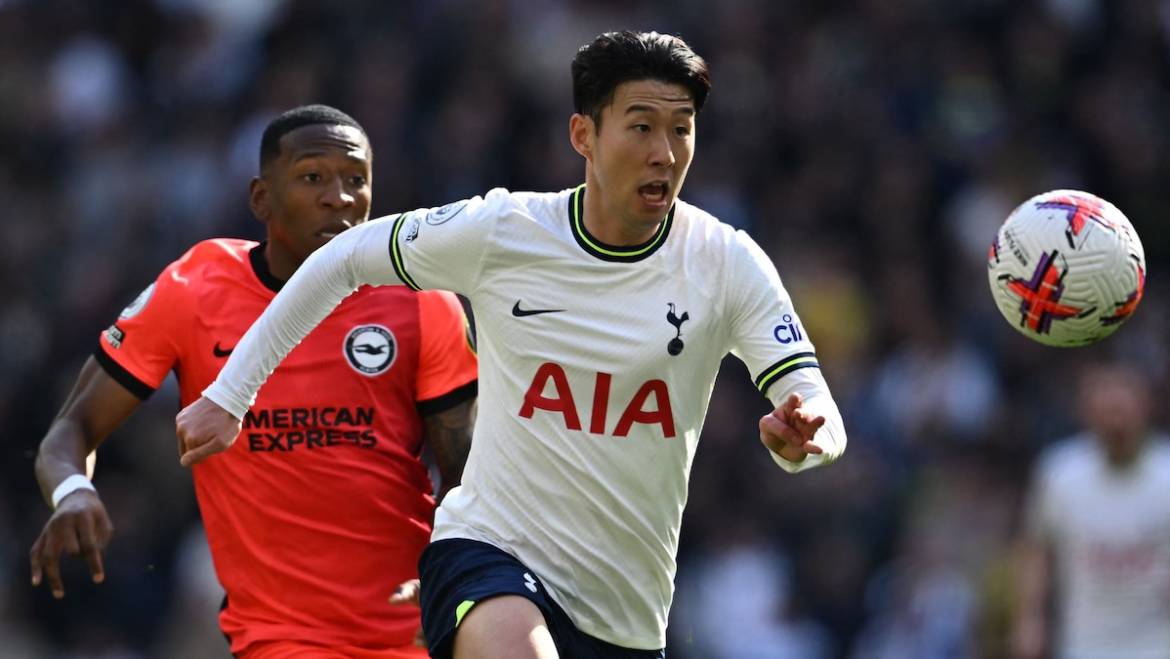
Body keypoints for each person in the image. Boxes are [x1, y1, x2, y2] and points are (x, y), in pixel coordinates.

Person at [175, 32, 847, 659]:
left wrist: (806, 437)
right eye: (642, 126)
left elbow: (812, 398)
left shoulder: (726, 262)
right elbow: (341, 259)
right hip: (488, 550)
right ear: (583, 134)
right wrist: (231, 392)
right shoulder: (505, 232)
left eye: (681, 128)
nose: (664, 152)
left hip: (625, 613)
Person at [29, 105, 479, 659]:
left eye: (356, 179)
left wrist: (458, 582)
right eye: (313, 177)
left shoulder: (420, 301)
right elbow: (71, 428)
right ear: (261, 199)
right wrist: (73, 492)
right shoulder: (195, 288)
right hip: (281, 636)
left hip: (416, 625)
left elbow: (469, 477)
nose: (339, 196)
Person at [1012, 361, 1170, 659]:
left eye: (1122, 411)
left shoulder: (1167, 474)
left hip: (1157, 643)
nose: (1116, 423)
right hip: (1084, 644)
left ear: (1146, 408)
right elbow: (1038, 548)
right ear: (1086, 413)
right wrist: (1030, 619)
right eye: (1107, 412)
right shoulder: (1060, 473)